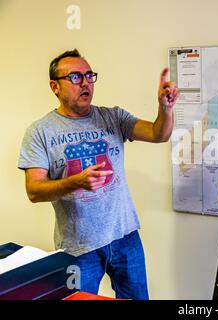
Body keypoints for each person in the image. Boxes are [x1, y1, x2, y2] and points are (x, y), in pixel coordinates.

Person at [17, 49, 179, 299]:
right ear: (54, 87)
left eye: (89, 75)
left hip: (126, 237)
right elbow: (34, 190)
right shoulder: (40, 132)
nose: (85, 83)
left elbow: (159, 134)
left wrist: (165, 108)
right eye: (74, 77)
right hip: (78, 248)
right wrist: (75, 182)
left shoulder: (113, 117)